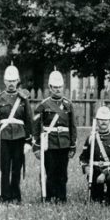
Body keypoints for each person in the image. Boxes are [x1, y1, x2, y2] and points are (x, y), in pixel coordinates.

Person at [0, 65, 32, 203]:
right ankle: (5, 196)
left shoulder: (23, 99)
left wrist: (28, 141)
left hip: (19, 137)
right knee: (4, 168)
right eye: (8, 80)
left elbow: (28, 120)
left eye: (13, 81)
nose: (11, 83)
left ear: (18, 80)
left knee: (17, 168)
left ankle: (16, 196)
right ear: (4, 81)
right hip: (4, 137)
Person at [31, 70, 77, 203]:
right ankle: (49, 196)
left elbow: (72, 126)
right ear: (50, 88)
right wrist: (36, 146)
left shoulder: (68, 105)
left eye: (60, 87)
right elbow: (36, 127)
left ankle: (61, 197)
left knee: (62, 173)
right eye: (55, 87)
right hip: (49, 144)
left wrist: (72, 145)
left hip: (63, 143)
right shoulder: (43, 105)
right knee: (50, 172)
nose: (58, 90)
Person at [80, 105, 110, 203]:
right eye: (100, 119)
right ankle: (98, 197)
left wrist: (105, 173)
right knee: (96, 200)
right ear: (96, 121)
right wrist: (85, 167)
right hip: (95, 170)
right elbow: (83, 157)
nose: (103, 122)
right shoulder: (91, 138)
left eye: (106, 120)